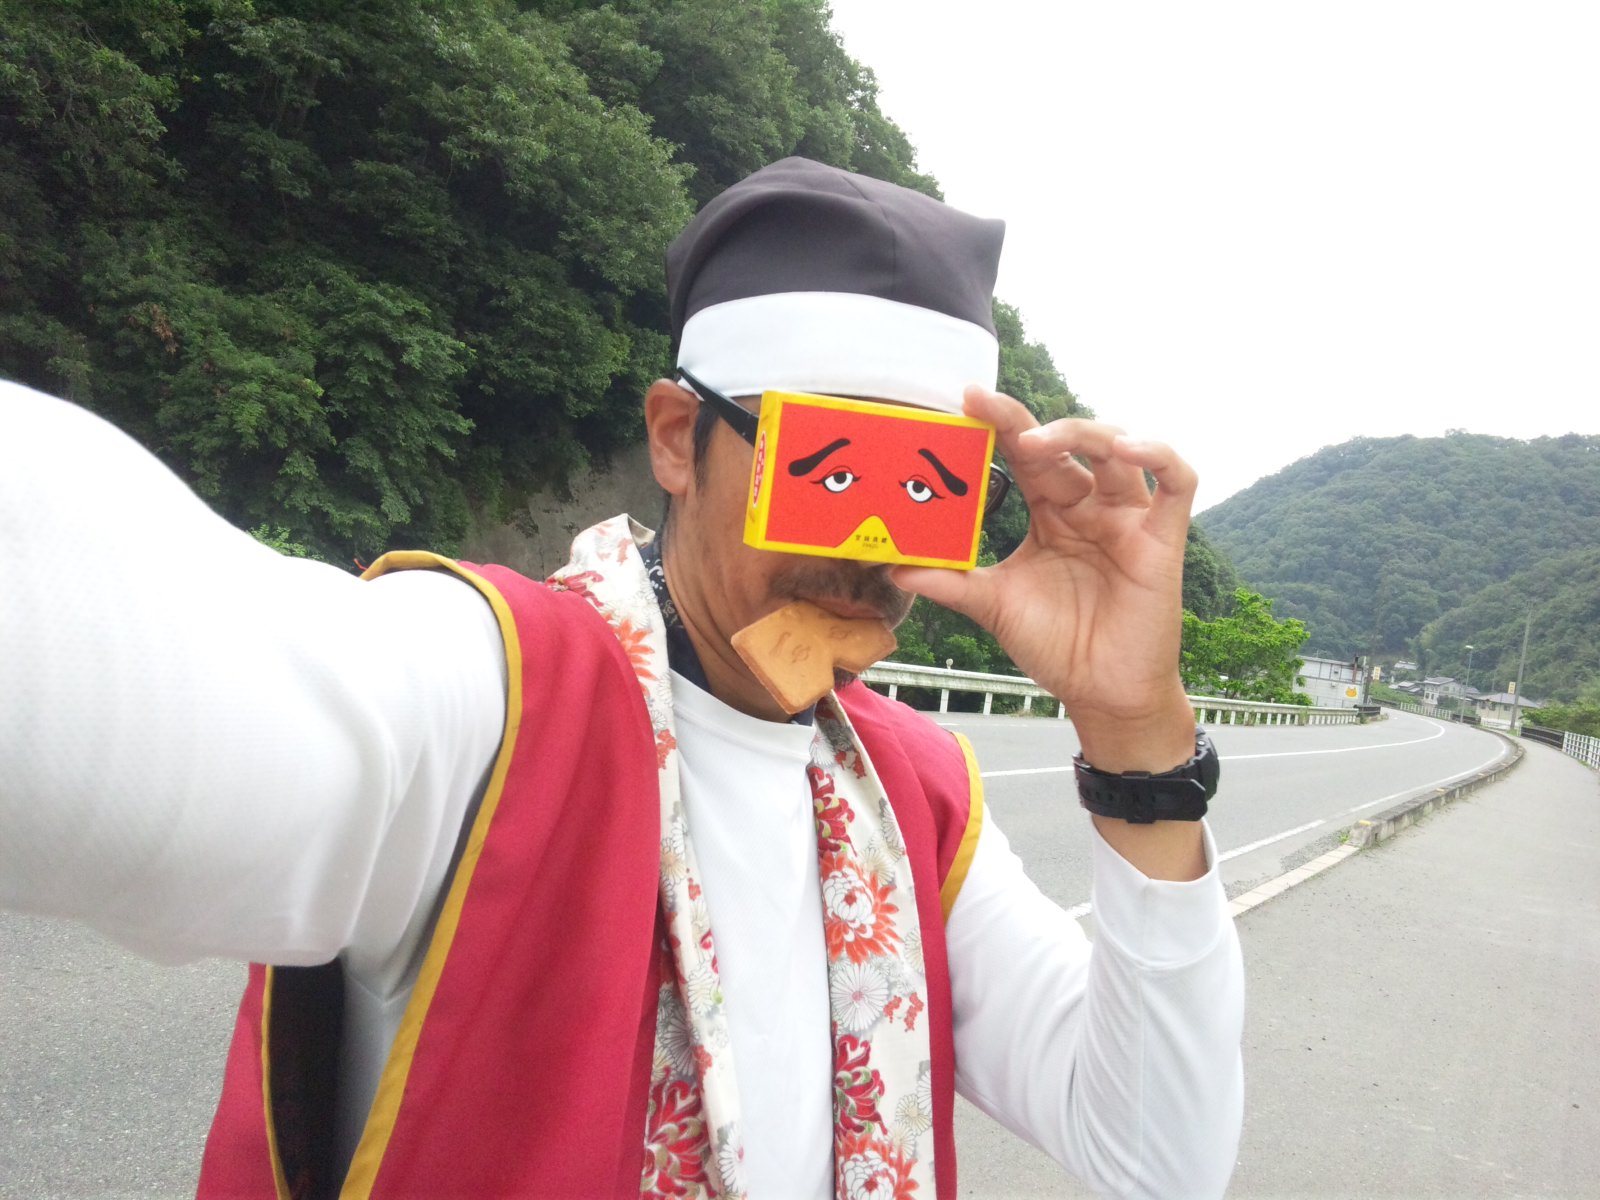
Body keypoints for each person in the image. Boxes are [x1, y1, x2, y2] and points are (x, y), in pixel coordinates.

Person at [0, 157, 1243, 1198]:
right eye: (829, 471)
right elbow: (138, 669)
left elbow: (1156, 1154)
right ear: (676, 440)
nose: (870, 550)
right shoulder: (495, 693)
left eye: (927, 491)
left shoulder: (921, 796)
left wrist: (1133, 729)